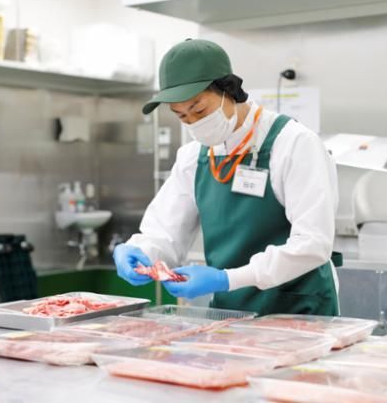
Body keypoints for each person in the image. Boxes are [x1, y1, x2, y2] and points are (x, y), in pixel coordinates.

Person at [114, 38, 340, 315]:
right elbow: (165, 233)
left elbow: (313, 244)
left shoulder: (293, 143)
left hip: (299, 310)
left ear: (229, 89)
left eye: (199, 110)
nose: (194, 123)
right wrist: (142, 252)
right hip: (231, 315)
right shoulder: (193, 157)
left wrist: (226, 279)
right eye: (182, 116)